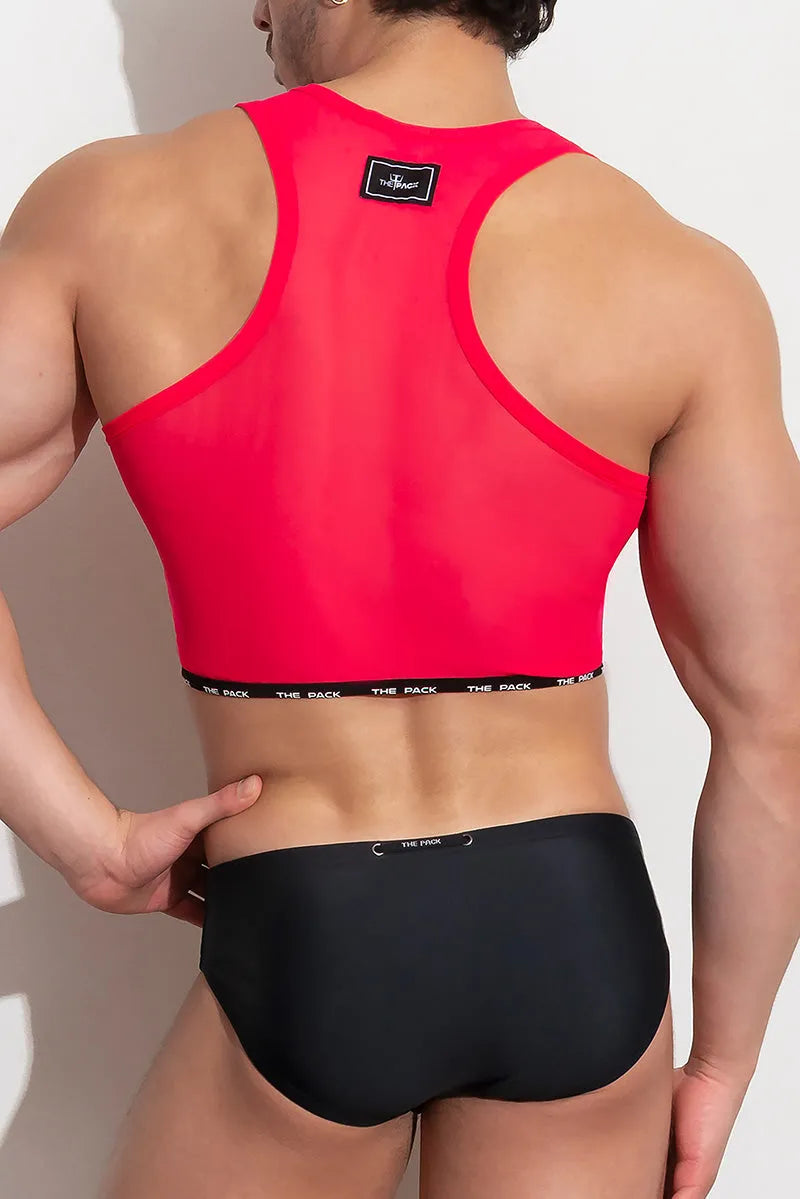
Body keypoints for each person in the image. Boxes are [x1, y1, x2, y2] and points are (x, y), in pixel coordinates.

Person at [1, 0, 798, 1194]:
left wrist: (89, 839)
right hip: (575, 937)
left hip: (309, 909)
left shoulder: (118, 208)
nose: (254, 10)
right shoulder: (679, 275)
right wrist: (724, 1060)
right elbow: (772, 725)